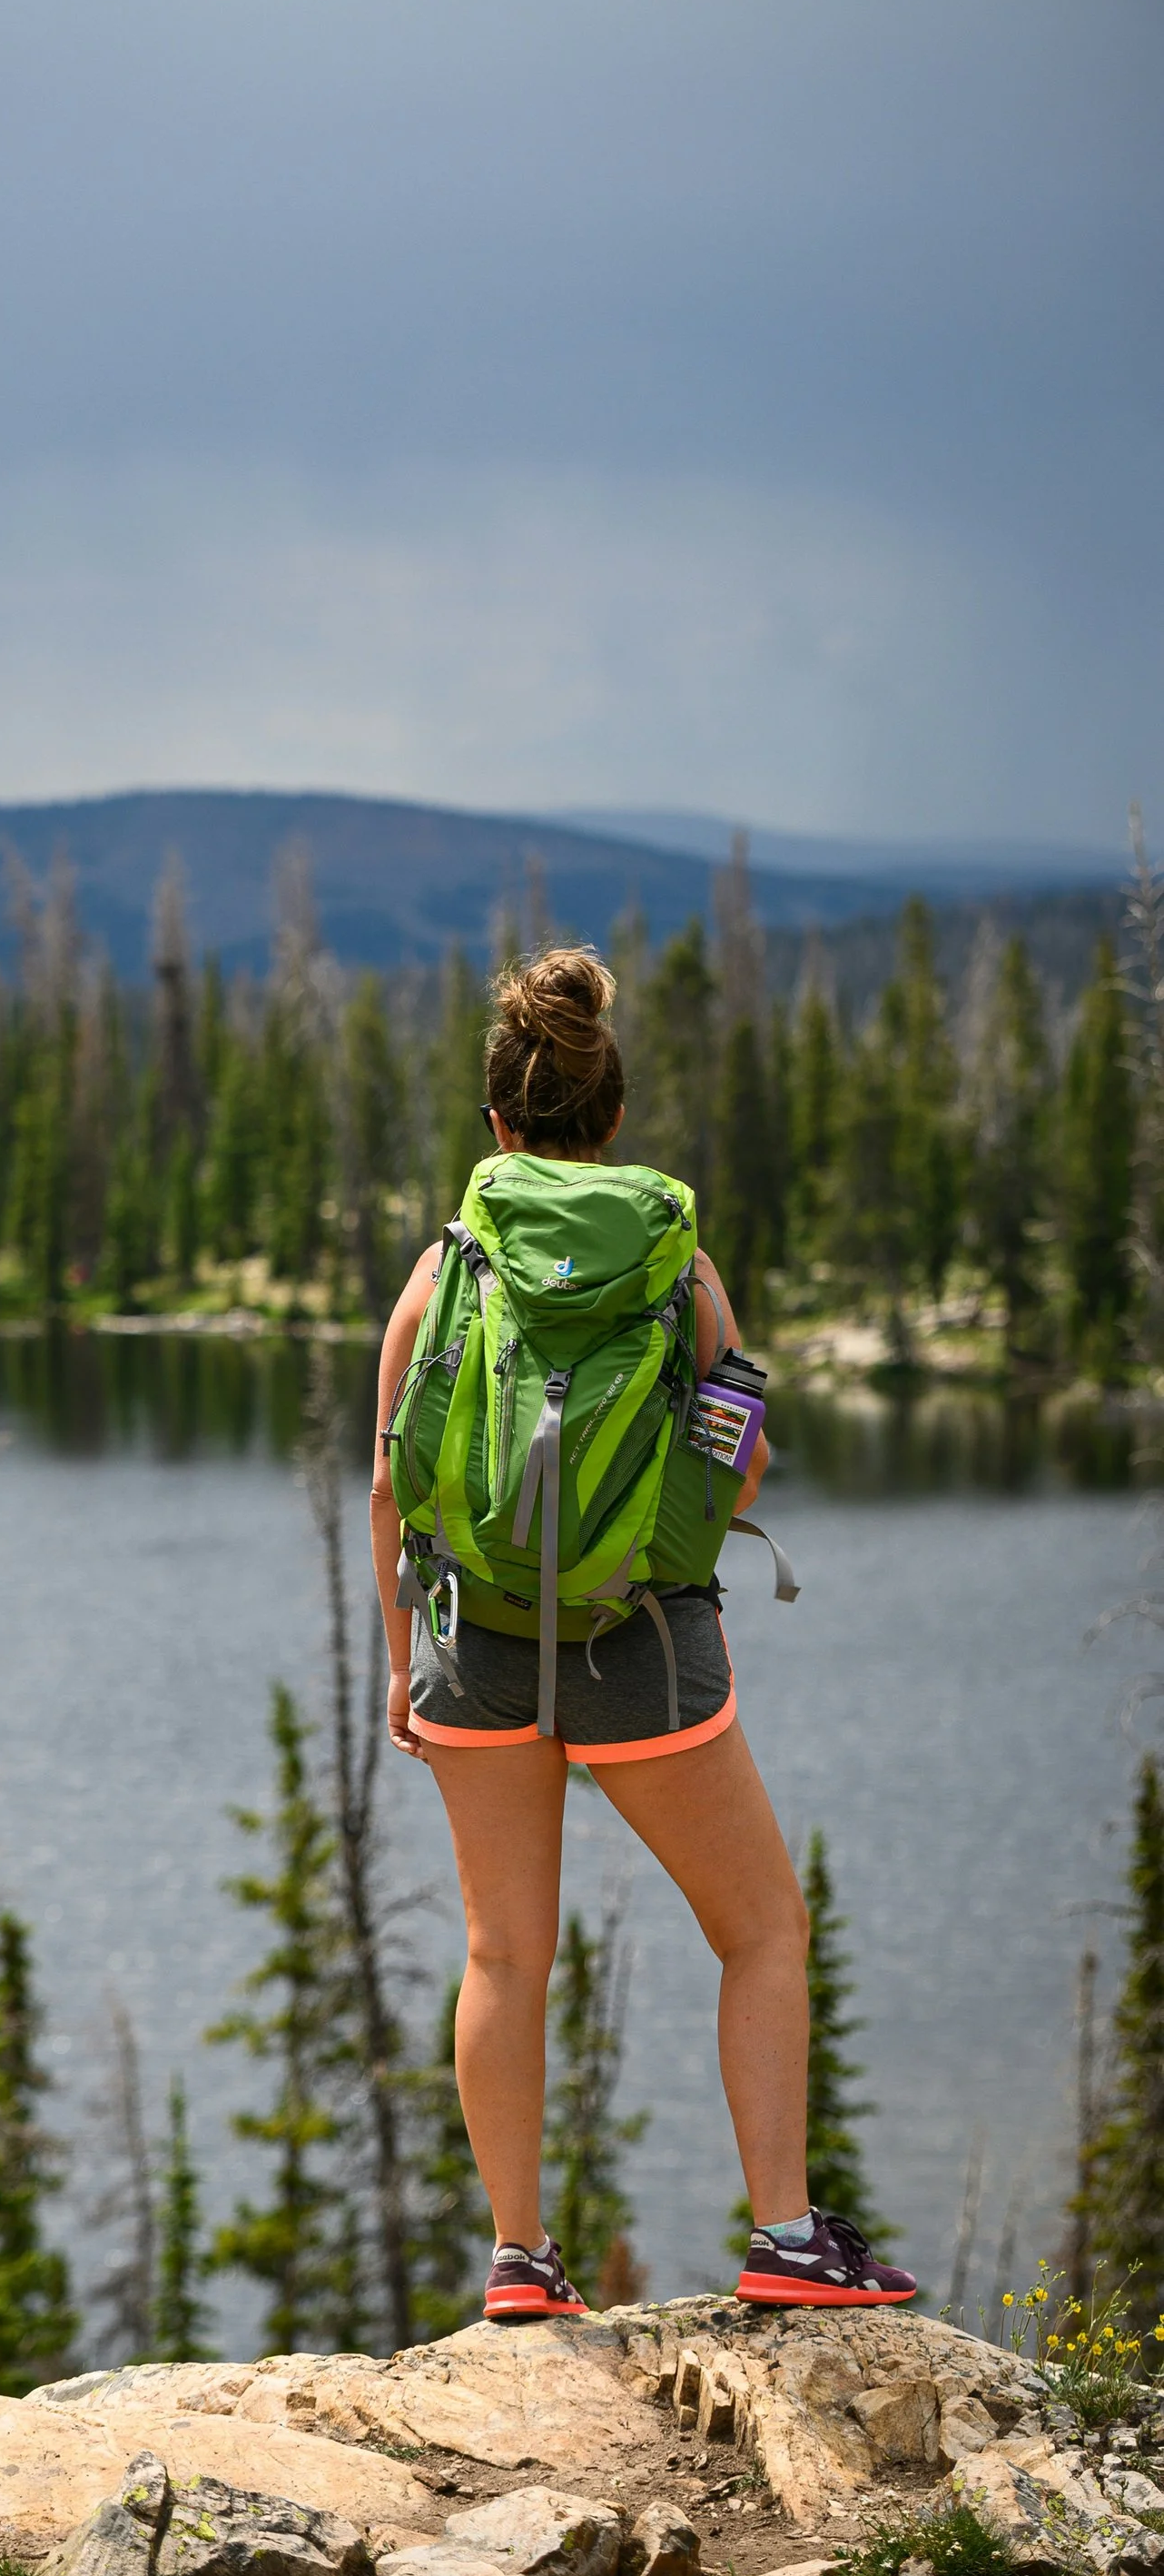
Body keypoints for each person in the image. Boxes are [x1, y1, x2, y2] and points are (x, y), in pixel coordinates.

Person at [370, 946, 914, 2320]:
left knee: (504, 1953)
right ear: (611, 1120)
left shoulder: (448, 1267)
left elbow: (390, 1478)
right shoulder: (678, 1261)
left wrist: (400, 1659)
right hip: (642, 1646)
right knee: (762, 1931)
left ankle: (519, 2263)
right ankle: (786, 2239)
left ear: (498, 1127)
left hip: (475, 1644)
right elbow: (746, 1451)